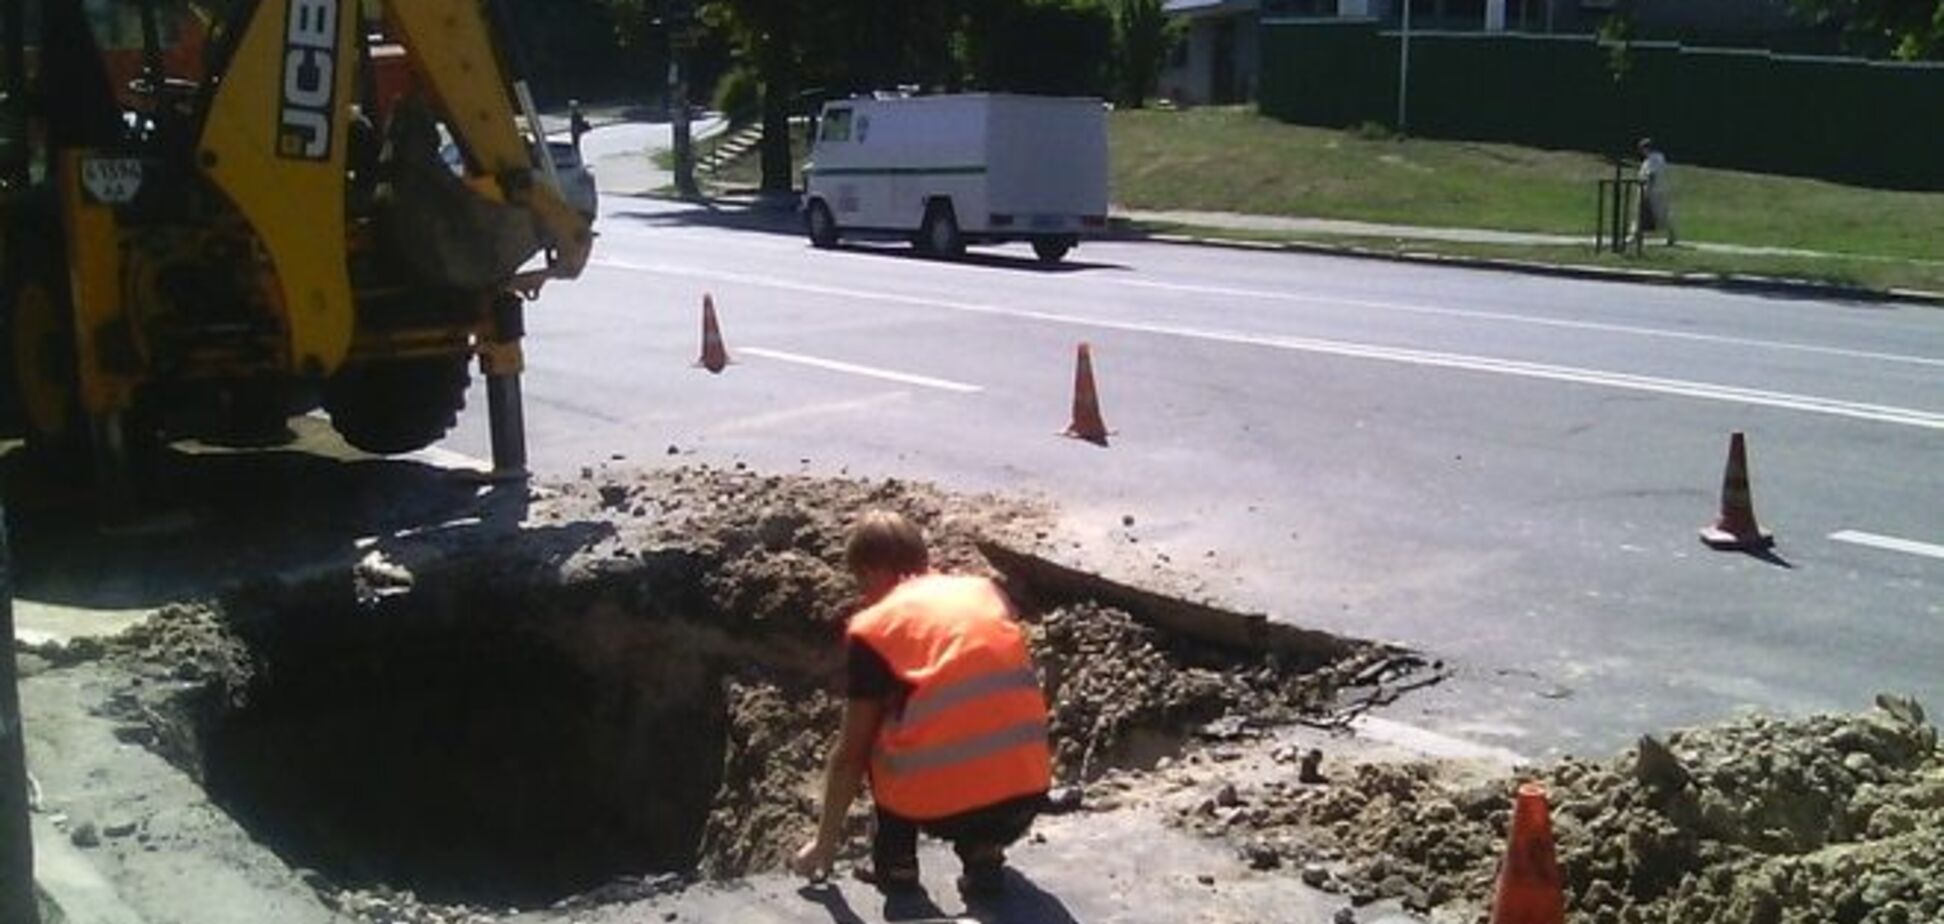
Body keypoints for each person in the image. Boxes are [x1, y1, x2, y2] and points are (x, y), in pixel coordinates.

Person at [790, 510, 1052, 900]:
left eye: (861, 582)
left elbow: (850, 756)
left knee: (880, 734)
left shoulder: (874, 628)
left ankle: (897, 865)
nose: (863, 596)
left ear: (872, 571)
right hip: (1026, 796)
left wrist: (823, 844)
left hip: (940, 808)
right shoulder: (983, 592)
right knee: (966, 714)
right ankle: (983, 851)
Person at [1634, 138, 1677, 247]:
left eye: (1642, 149)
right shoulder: (1659, 158)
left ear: (1646, 148)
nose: (1641, 152)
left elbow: (1651, 175)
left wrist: (1646, 191)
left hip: (1652, 192)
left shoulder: (1652, 160)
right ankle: (1637, 235)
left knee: (1656, 214)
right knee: (1658, 214)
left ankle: (1671, 236)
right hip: (1659, 190)